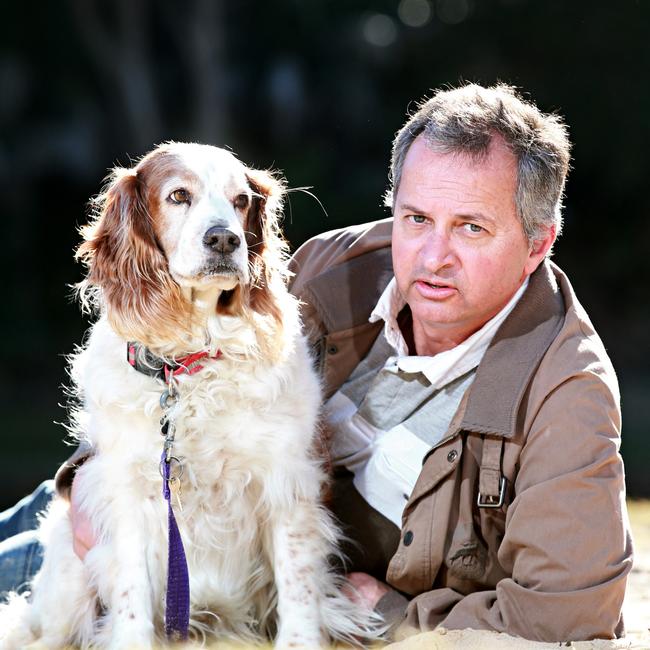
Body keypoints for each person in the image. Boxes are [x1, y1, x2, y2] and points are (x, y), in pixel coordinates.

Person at [0, 83, 632, 643]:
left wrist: (397, 613)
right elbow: (167, 352)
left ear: (537, 243)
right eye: (415, 218)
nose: (432, 256)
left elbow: (570, 615)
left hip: (229, 579)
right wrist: (86, 475)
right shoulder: (334, 267)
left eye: (471, 228)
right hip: (115, 532)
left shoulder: (567, 395)